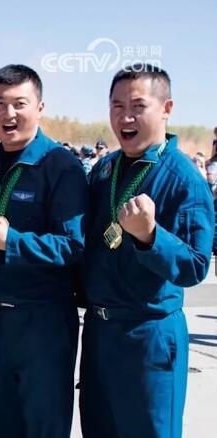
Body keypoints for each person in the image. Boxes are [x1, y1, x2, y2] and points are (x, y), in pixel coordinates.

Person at [79, 64, 214, 438]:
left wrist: (151, 236)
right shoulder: (104, 170)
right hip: (99, 332)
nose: (125, 117)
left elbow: (196, 265)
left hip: (148, 335)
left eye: (138, 106)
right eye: (117, 106)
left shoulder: (183, 179)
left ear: (166, 108)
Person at [0, 64, 86, 438]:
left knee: (44, 424)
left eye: (19, 103)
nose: (8, 114)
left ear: (40, 107)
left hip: (44, 321)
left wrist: (12, 241)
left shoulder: (61, 166)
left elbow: (73, 245)